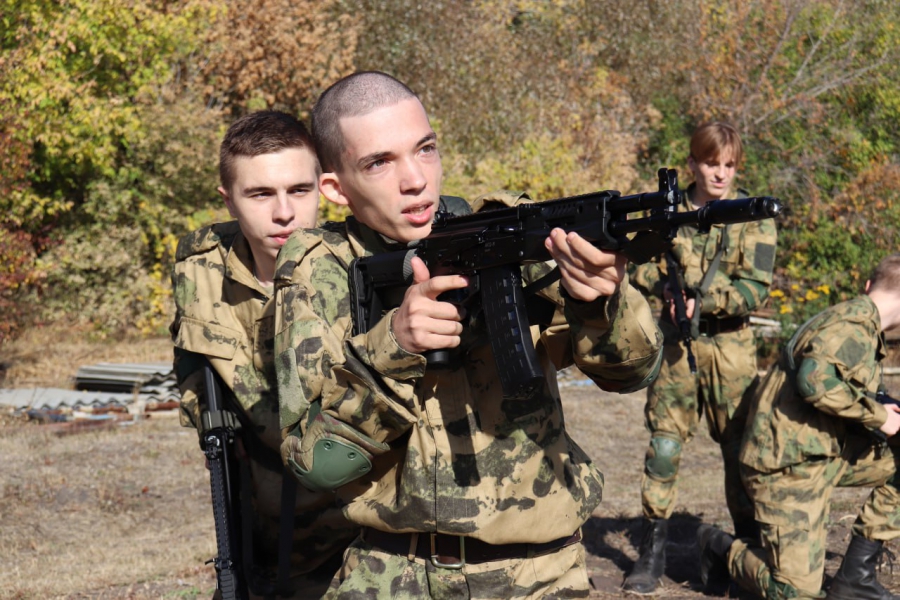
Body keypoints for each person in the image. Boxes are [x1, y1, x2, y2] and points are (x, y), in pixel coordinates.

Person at [271, 71, 664, 599]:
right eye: (379, 162)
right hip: (394, 575)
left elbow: (633, 373)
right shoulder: (319, 269)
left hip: (542, 576)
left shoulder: (507, 228)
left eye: (425, 149)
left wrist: (602, 302)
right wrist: (394, 347)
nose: (415, 179)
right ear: (335, 189)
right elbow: (316, 463)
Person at [170, 110, 358, 599]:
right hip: (262, 542)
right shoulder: (201, 268)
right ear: (228, 200)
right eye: (260, 194)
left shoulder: (361, 270)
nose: (284, 213)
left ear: (325, 187)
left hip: (364, 543)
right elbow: (194, 371)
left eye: (299, 190)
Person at [625, 122, 777, 594]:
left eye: (729, 165)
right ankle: (652, 552)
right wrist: (665, 289)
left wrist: (704, 303)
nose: (720, 174)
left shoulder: (753, 215)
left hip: (730, 349)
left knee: (739, 450)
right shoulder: (665, 211)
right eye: (711, 163)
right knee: (665, 447)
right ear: (692, 163)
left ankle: (746, 548)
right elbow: (636, 262)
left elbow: (756, 286)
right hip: (676, 347)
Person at [698, 253, 900, 599]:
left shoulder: (858, 322)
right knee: (796, 591)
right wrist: (882, 418)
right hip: (786, 467)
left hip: (821, 453)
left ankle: (855, 578)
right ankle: (719, 547)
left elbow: (835, 384)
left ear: (869, 285)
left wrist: (880, 405)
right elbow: (814, 382)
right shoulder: (851, 326)